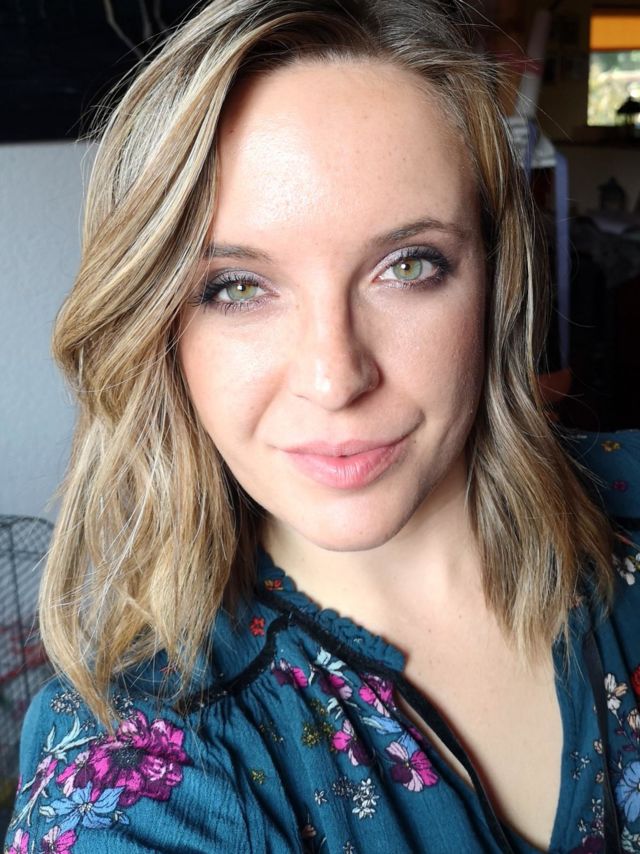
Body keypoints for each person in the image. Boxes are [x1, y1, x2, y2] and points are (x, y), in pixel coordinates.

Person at [4, 1, 640, 852]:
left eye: (407, 266)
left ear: (493, 282)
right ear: (160, 330)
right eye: (237, 287)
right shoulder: (142, 771)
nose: (335, 380)